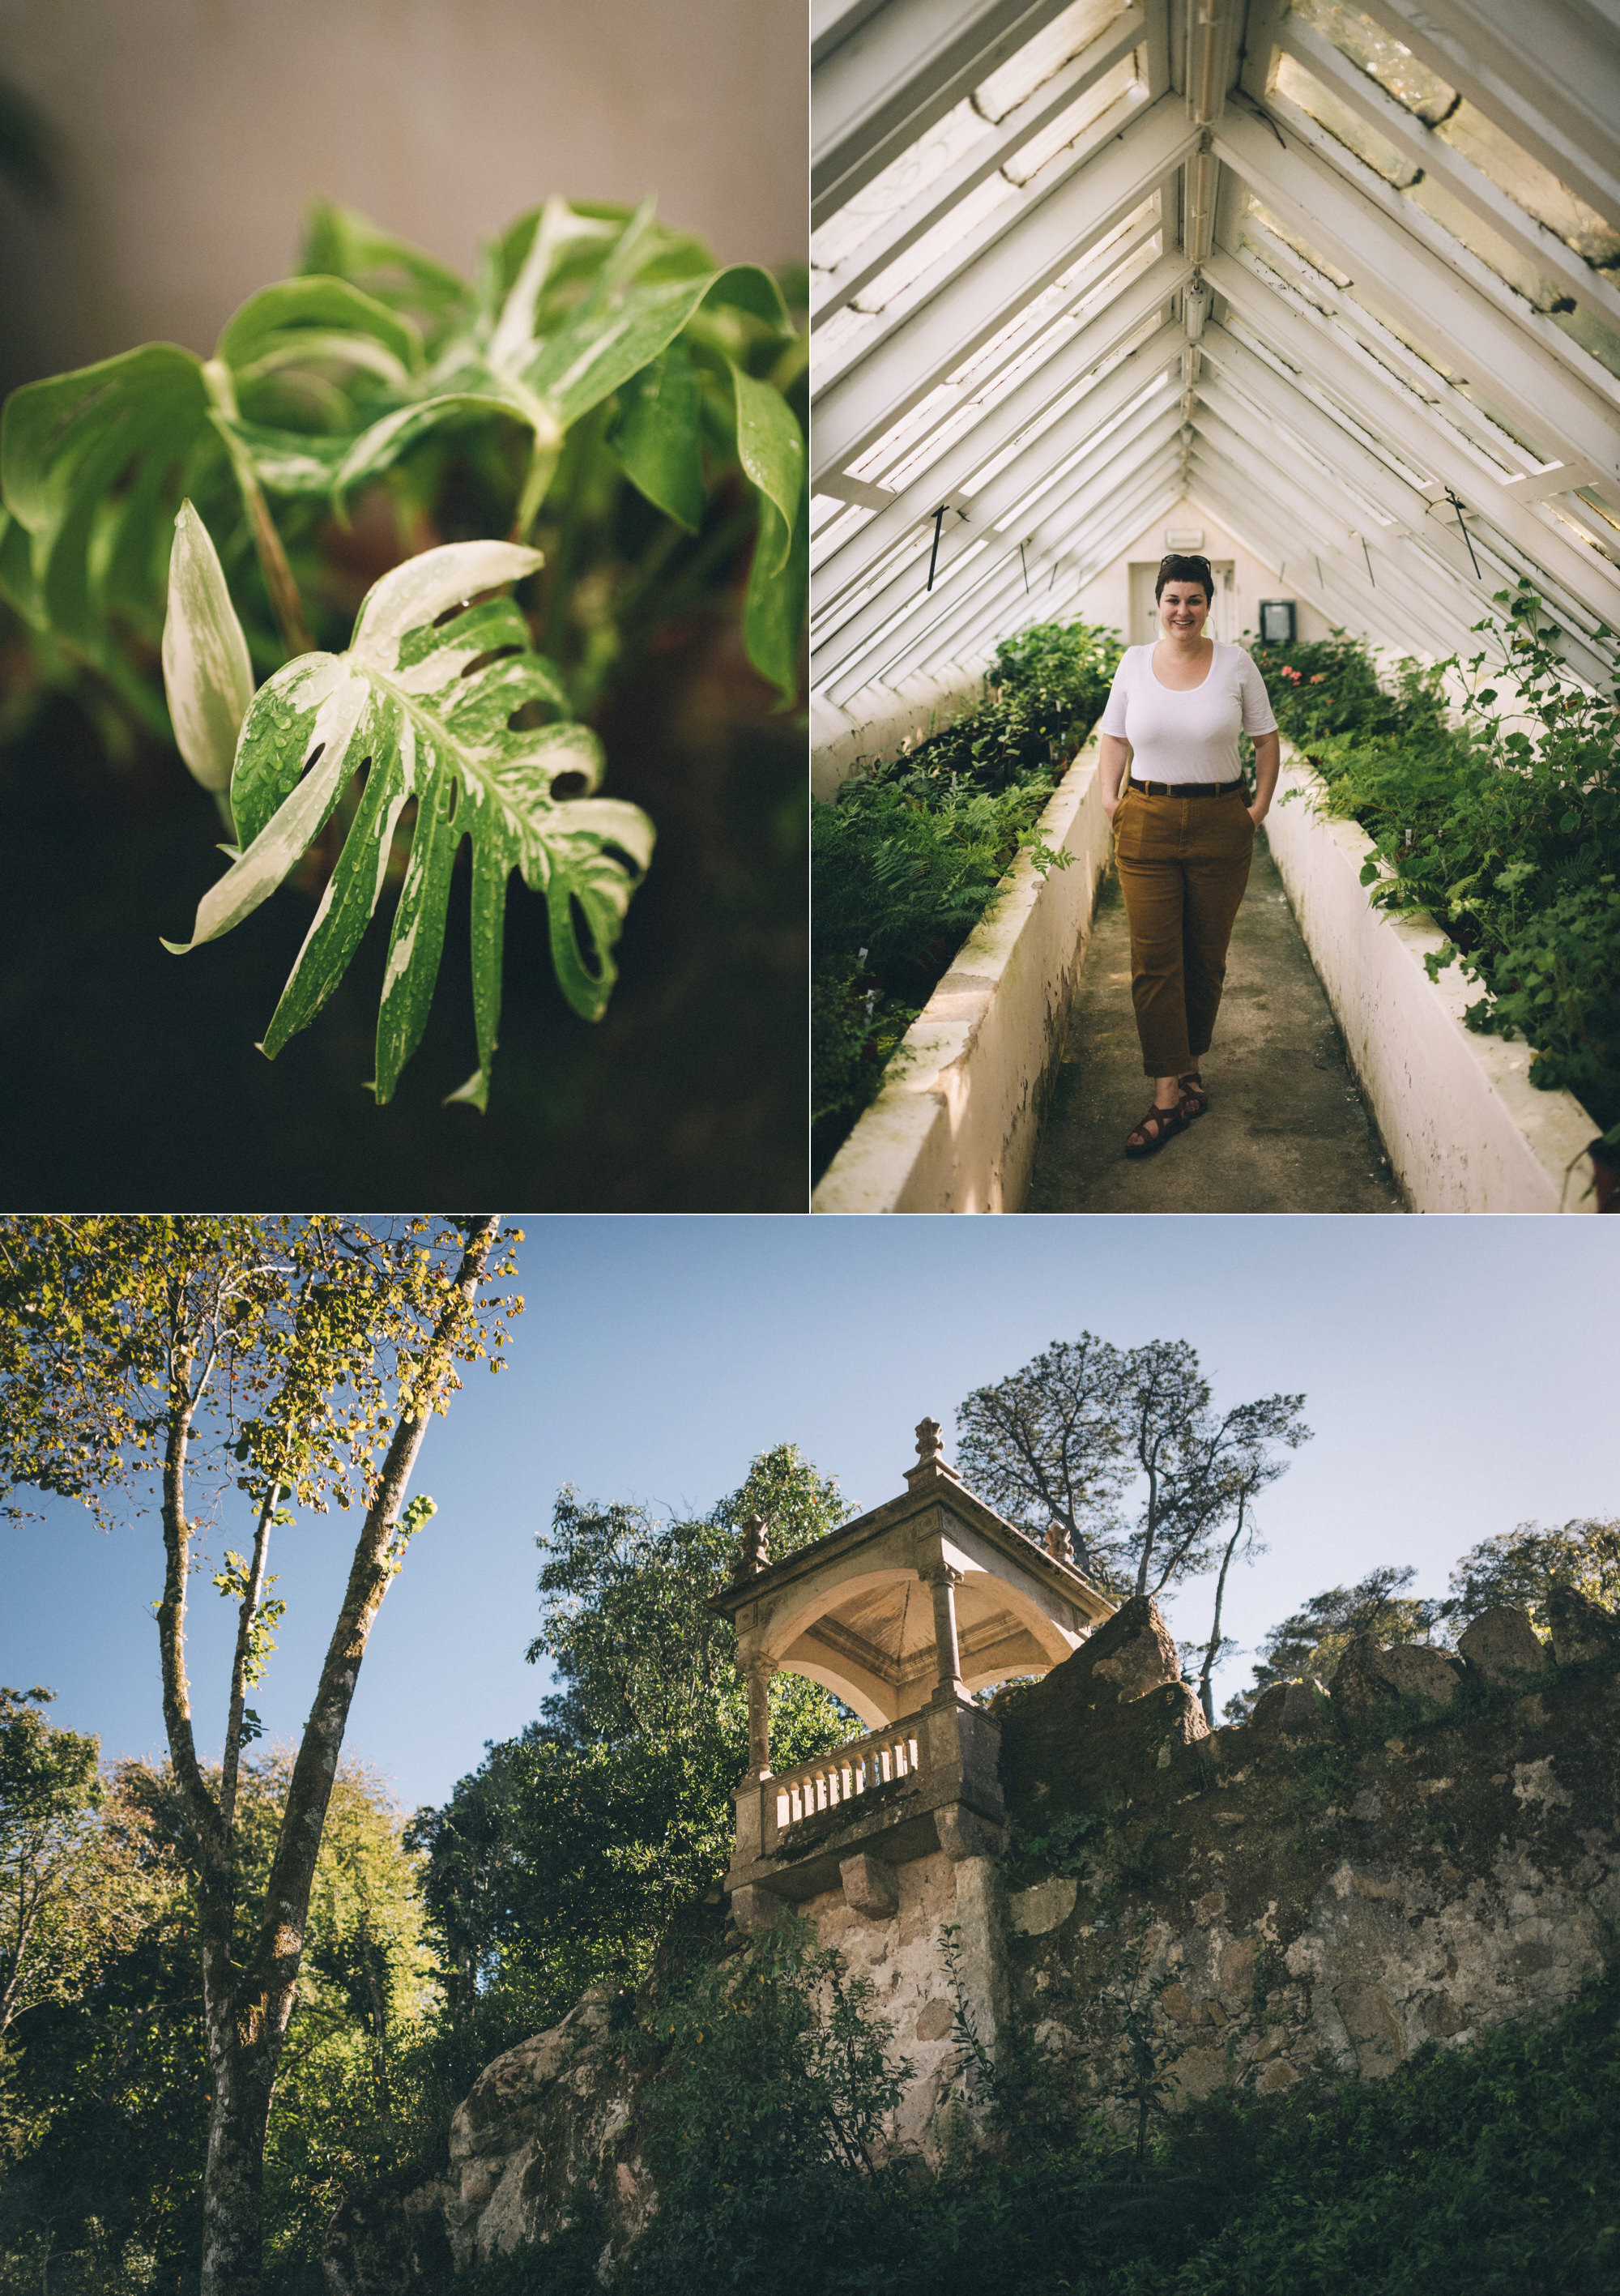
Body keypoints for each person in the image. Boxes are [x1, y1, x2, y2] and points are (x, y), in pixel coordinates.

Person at [1095, 553, 1281, 1157]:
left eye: (1194, 600)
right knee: (1154, 961)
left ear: (1208, 604)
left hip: (1219, 821)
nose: (1183, 611)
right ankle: (1167, 1096)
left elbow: (1266, 739)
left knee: (1206, 957)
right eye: (1173, 600)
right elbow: (1114, 737)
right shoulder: (1132, 664)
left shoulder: (1236, 663)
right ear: (1158, 603)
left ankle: (1189, 1066)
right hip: (1146, 821)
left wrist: (1257, 809)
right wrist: (1108, 798)